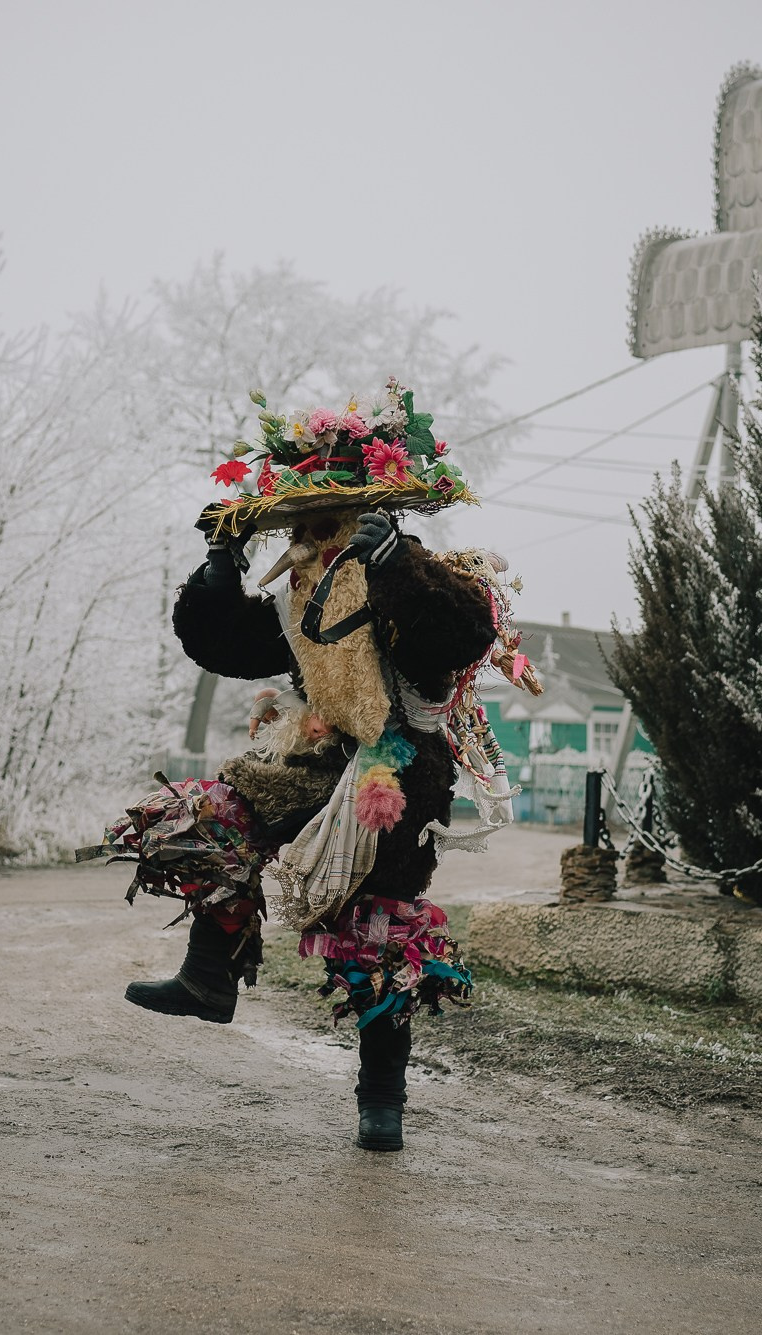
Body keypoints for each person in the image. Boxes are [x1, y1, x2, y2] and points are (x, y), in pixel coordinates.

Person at [88, 380, 539, 1152]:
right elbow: (231, 644)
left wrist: (397, 565)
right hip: (316, 757)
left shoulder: (408, 566)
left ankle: (382, 1097)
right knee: (213, 814)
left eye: (322, 517)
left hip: (399, 776)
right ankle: (210, 974)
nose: (307, 533)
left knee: (380, 933)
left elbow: (460, 635)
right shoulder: (303, 589)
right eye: (299, 522)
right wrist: (216, 574)